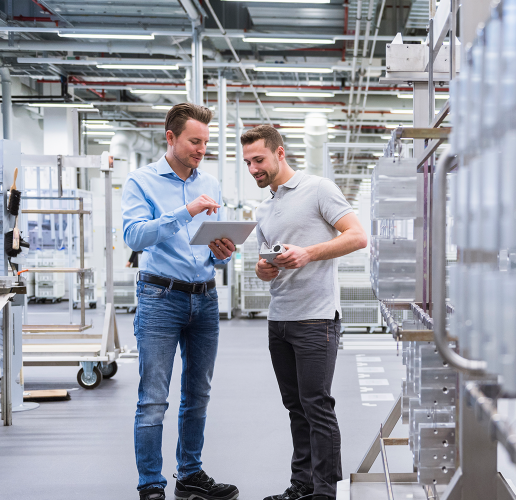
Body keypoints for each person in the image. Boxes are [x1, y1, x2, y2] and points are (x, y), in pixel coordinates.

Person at [122, 102, 240, 500]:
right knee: (154, 397)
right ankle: (151, 483)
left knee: (198, 393)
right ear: (170, 137)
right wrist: (184, 211)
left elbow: (210, 244)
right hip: (160, 297)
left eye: (205, 142)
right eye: (194, 141)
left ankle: (190, 474)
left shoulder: (212, 182)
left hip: (205, 299)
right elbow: (135, 237)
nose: (201, 149)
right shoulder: (141, 181)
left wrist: (222, 252)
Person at [243, 125, 367, 500]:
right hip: (279, 319)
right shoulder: (265, 206)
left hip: (315, 319)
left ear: (280, 153)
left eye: (259, 160)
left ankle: (326, 492)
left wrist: (309, 252)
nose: (253, 169)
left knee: (317, 406)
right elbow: (267, 261)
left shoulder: (318, 189)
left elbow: (357, 235)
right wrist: (263, 269)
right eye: (248, 162)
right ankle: (303, 485)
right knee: (296, 406)